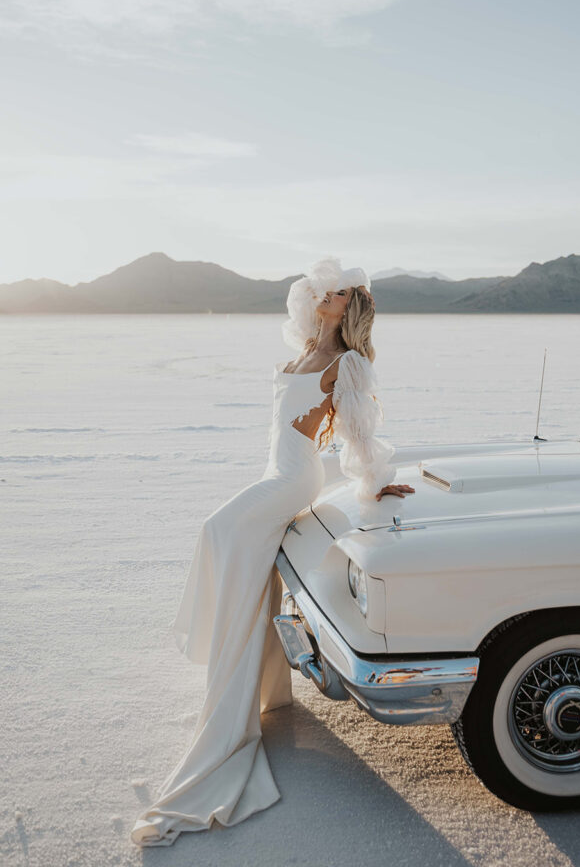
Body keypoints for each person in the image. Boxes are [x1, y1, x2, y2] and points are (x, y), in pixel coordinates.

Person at [130, 256, 414, 847]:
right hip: (273, 470)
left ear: (348, 305)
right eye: (321, 291)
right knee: (239, 561)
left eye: (334, 293)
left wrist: (374, 481)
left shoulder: (347, 361)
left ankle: (228, 678)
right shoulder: (304, 349)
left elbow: (358, 435)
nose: (321, 295)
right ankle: (245, 678)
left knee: (216, 530)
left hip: (293, 480)